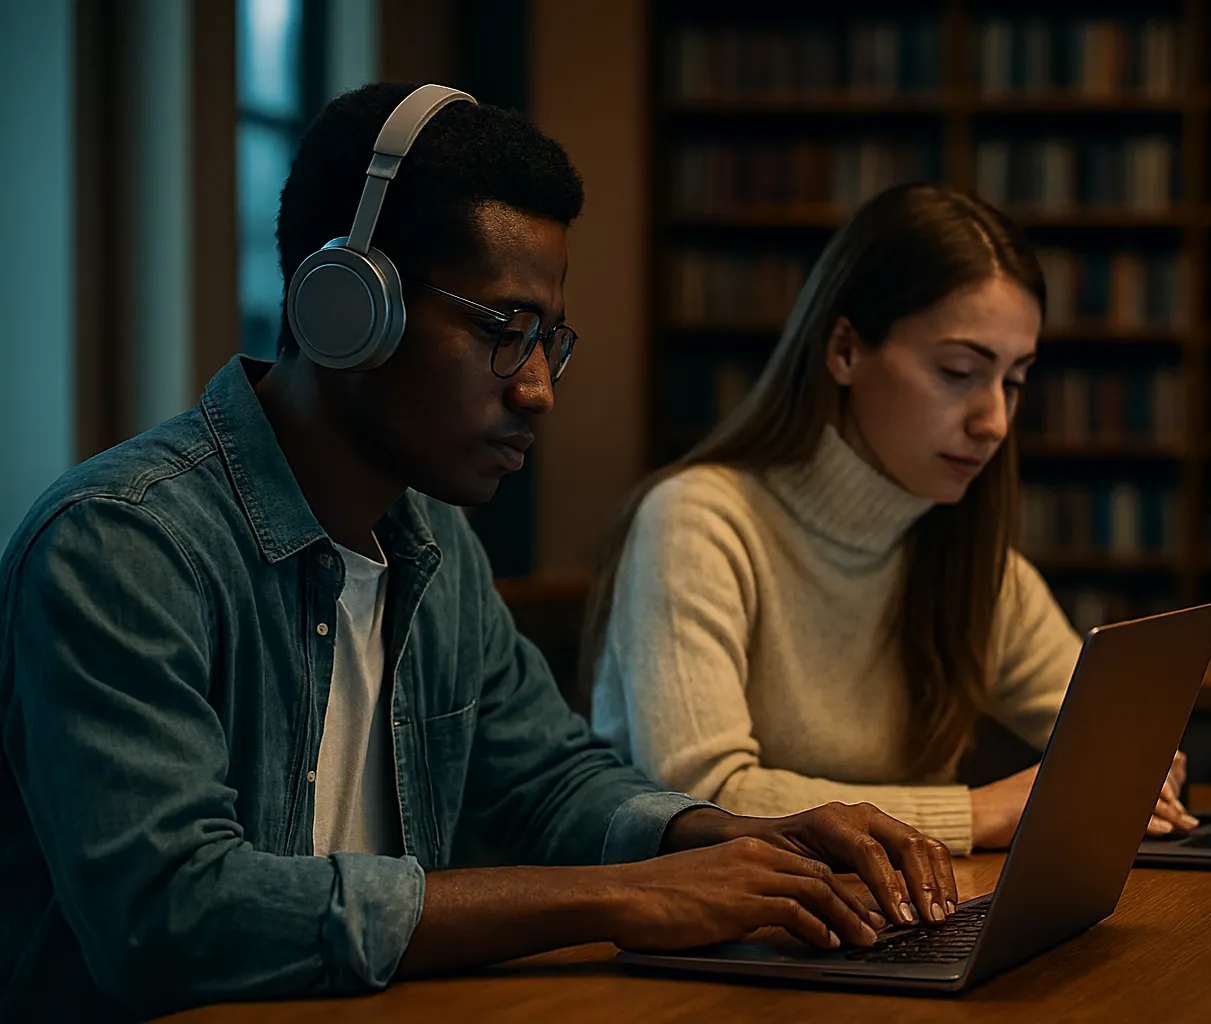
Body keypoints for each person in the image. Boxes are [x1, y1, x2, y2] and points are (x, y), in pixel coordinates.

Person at [0, 84, 960, 1021]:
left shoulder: (434, 543)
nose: (538, 389)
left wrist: (737, 839)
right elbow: (169, 921)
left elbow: (547, 783)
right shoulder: (122, 546)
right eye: (505, 331)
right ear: (346, 305)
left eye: (551, 341)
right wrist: (617, 900)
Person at [584, 183, 1196, 859]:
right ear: (845, 350)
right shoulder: (699, 521)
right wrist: (982, 812)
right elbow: (701, 795)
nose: (993, 421)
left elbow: (1115, 736)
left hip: (882, 919)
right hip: (691, 940)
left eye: (1014, 380)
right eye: (959, 371)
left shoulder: (959, 545)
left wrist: (1140, 768)